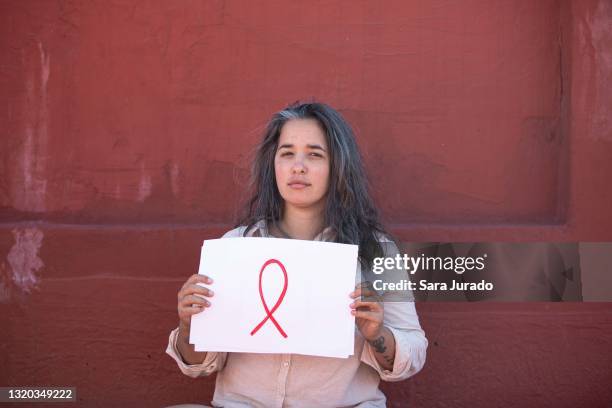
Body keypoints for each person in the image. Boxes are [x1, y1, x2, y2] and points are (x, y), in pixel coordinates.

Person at [166, 102, 428, 407]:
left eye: (314, 154)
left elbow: (415, 351)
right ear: (273, 164)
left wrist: (377, 334)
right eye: (287, 153)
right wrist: (189, 325)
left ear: (338, 166)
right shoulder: (236, 245)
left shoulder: (376, 251)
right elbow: (199, 364)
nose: (298, 167)